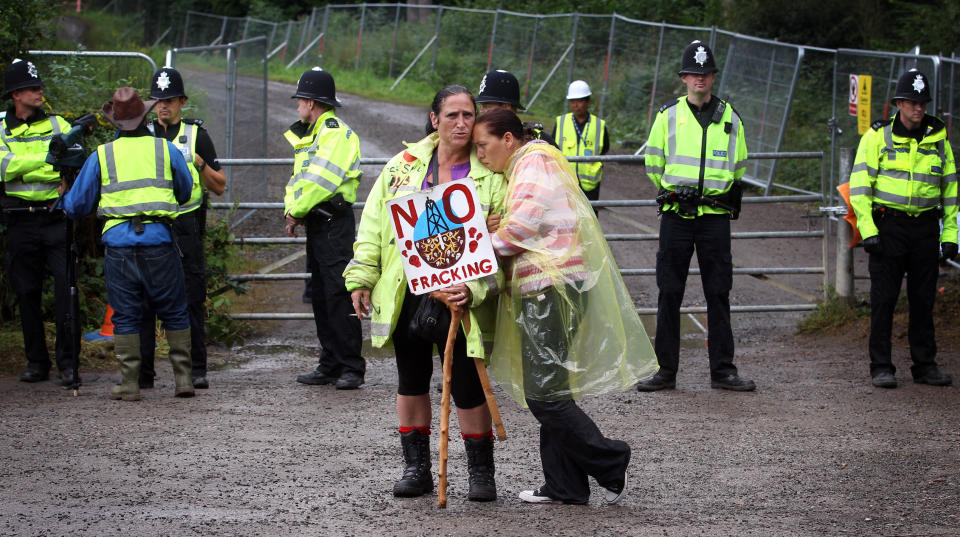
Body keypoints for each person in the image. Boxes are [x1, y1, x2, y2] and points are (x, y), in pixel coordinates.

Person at [473, 108, 658, 505]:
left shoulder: (532, 162)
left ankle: (609, 458)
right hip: (551, 285)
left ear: (508, 139)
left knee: (544, 396)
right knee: (552, 389)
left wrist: (474, 253)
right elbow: (524, 221)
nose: (481, 155)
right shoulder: (532, 162)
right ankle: (565, 485)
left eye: (484, 145)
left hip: (549, 287)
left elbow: (520, 230)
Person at [344, 85, 507, 502]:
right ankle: (416, 469)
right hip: (408, 291)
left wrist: (470, 289)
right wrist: (361, 276)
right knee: (411, 381)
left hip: (463, 297)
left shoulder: (491, 170)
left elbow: (505, 245)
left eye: (468, 115)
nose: (461, 123)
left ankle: (480, 474)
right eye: (451, 115)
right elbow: (373, 227)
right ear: (434, 119)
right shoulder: (403, 166)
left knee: (469, 387)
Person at [636, 40, 755, 392]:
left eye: (705, 73)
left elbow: (738, 167)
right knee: (669, 292)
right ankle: (665, 372)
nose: (699, 79)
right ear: (684, 78)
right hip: (677, 215)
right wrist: (677, 189)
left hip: (714, 218)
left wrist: (709, 193)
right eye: (693, 73)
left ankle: (723, 372)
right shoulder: (668, 116)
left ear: (713, 77)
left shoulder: (731, 119)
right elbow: (653, 164)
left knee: (718, 292)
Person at [64, 87, 195, 401]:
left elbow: (76, 206)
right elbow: (186, 191)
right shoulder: (166, 150)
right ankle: (184, 379)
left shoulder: (103, 155)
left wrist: (64, 190)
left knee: (125, 315)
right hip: (160, 242)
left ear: (115, 123)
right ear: (144, 117)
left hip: (120, 247)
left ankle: (130, 383)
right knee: (175, 311)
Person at [849, 69, 957, 388]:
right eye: (911, 102)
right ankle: (881, 365)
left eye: (922, 102)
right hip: (889, 227)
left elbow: (951, 192)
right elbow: (859, 186)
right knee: (884, 299)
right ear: (898, 103)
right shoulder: (877, 137)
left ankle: (925, 366)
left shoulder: (939, 141)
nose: (917, 108)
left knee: (923, 300)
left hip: (925, 228)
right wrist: (868, 230)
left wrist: (951, 235)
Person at [138, 66, 226, 390]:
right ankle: (144, 372)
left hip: (187, 228)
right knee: (146, 300)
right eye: (159, 100)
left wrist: (199, 163)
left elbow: (220, 186)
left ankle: (196, 369)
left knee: (191, 299)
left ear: (182, 102)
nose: (164, 105)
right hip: (153, 226)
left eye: (170, 100)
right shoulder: (142, 135)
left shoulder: (196, 135)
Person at [284, 67, 365, 390]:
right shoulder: (315, 134)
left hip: (332, 220)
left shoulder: (334, 133)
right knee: (320, 294)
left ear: (310, 102)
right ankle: (330, 362)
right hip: (318, 221)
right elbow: (299, 179)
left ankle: (351, 366)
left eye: (299, 101)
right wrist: (293, 209)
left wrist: (295, 211)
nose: (297, 107)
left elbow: (320, 182)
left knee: (338, 293)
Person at [0, 58, 79, 385]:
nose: (39, 92)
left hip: (55, 217)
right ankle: (37, 362)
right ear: (16, 94)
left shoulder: (60, 124)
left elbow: (75, 162)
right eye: (33, 88)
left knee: (66, 291)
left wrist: (22, 163)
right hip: (19, 220)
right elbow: (2, 169)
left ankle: (68, 364)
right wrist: (47, 161)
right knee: (26, 292)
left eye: (40, 86)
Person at [552, 80, 609, 202]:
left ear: (588, 102)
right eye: (573, 101)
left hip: (589, 183)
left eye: (580, 101)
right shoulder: (561, 122)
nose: (576, 105)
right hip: (565, 180)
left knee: (590, 217)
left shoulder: (599, 125)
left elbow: (604, 148)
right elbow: (553, 146)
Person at [475, 69, 557, 147]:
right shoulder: (477, 137)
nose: (482, 111)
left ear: (506, 108)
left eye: (486, 106)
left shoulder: (539, 141)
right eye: (482, 106)